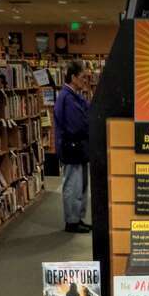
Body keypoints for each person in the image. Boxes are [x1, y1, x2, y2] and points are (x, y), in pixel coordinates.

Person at [54, 60, 91, 233]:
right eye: (83, 77)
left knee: (81, 185)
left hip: (79, 147)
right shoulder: (67, 97)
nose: (85, 80)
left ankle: (78, 218)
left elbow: (88, 110)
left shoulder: (76, 95)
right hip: (71, 147)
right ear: (73, 77)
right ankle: (72, 221)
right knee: (73, 185)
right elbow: (77, 124)